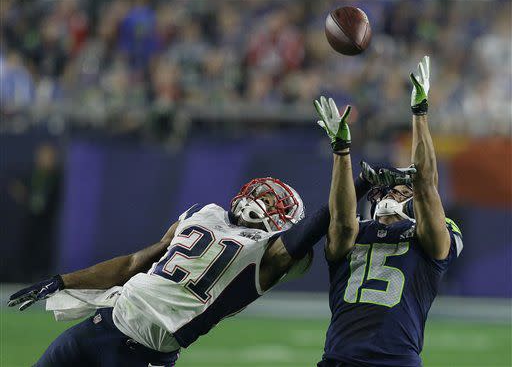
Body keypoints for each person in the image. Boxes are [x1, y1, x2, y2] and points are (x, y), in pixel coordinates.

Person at [9, 161, 403, 366]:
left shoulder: (267, 255)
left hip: (143, 352)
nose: (262, 203)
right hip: (101, 324)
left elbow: (314, 230)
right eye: (262, 196)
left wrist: (359, 183)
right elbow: (134, 261)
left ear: (281, 222)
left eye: (271, 204)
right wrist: (62, 280)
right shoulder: (203, 213)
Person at [315, 56, 463, 367]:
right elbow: (341, 222)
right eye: (386, 190)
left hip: (396, 361)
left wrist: (420, 114)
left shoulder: (425, 240)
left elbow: (426, 187)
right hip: (339, 359)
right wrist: (341, 151)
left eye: (400, 191)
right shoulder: (356, 231)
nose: (389, 195)